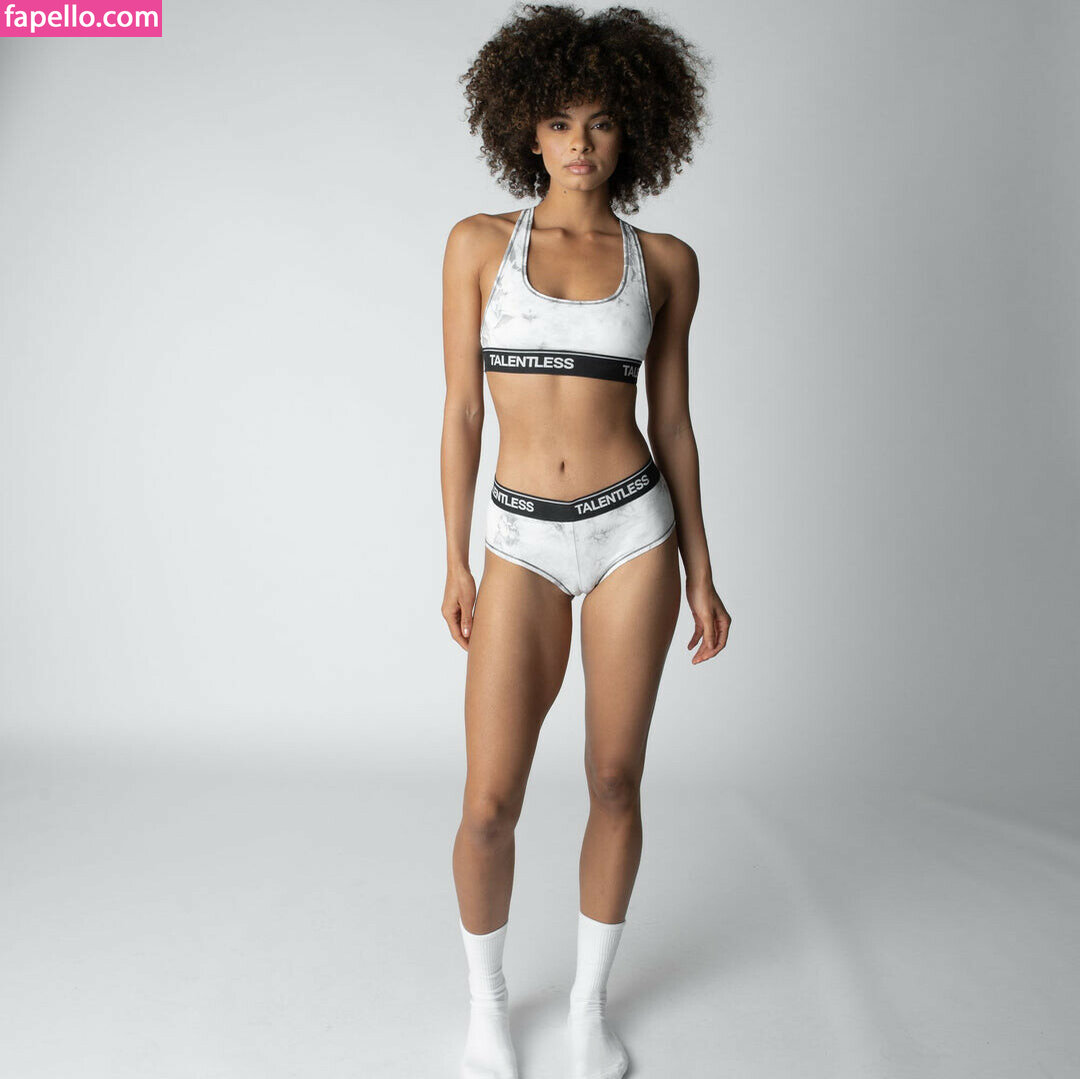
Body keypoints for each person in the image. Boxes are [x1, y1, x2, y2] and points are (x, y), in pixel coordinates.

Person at [440, 5, 730, 1077]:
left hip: (633, 536)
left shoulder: (667, 261)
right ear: (525, 126)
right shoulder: (479, 245)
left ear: (633, 132)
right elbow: (462, 413)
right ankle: (487, 1007)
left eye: (601, 122)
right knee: (489, 800)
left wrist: (702, 572)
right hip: (518, 540)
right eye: (560, 121)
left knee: (614, 778)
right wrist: (455, 555)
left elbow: (675, 424)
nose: (579, 142)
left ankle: (586, 1009)